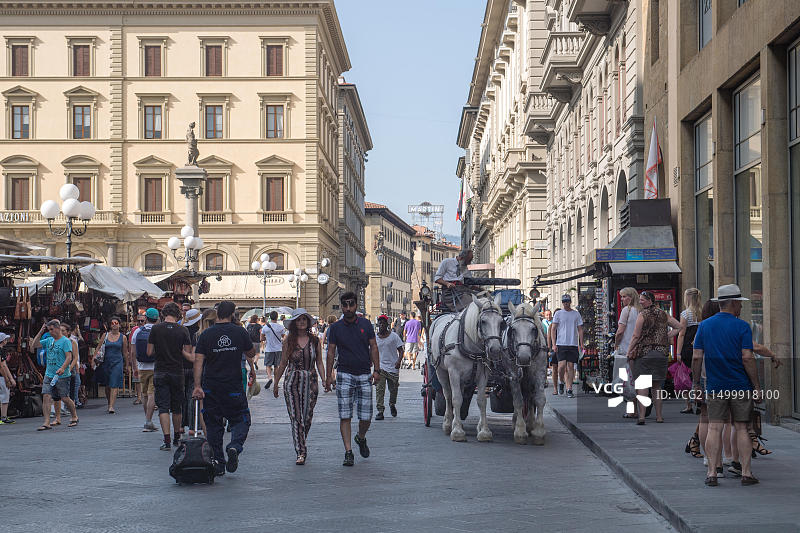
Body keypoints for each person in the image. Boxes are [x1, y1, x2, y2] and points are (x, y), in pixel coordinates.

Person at [692, 284, 762, 487]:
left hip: (714, 385)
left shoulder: (705, 325)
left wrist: (696, 384)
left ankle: (712, 472)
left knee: (715, 427)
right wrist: (756, 386)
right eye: (739, 303)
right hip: (739, 385)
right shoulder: (742, 326)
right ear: (733, 303)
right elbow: (748, 357)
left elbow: (697, 356)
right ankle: (746, 473)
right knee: (741, 427)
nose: (740, 307)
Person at [193, 300, 255, 475]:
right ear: (232, 314)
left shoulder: (206, 334)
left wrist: (197, 386)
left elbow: (198, 361)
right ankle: (234, 446)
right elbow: (251, 353)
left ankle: (219, 463)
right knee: (241, 419)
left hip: (211, 385)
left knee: (213, 425)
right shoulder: (239, 332)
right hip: (233, 385)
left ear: (218, 313)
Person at [325, 291, 380, 467]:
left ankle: (361, 437)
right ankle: (348, 452)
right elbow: (331, 352)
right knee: (345, 416)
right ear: (342, 306)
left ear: (356, 306)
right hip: (344, 374)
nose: (348, 308)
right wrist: (328, 376)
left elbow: (373, 347)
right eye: (345, 305)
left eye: (351, 305)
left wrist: (377, 370)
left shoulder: (366, 324)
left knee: (366, 416)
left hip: (364, 373)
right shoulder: (335, 328)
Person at [272, 308, 325, 465]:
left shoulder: (315, 340)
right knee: (296, 416)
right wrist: (276, 383)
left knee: (307, 417)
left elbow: (319, 362)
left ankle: (300, 441)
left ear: (308, 322)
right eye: (298, 319)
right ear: (294, 323)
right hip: (292, 380)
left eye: (304, 319)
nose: (301, 322)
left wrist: (325, 379)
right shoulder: (289, 340)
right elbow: (282, 363)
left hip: (311, 379)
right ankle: (301, 452)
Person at [626, 290, 684, 424]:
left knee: (643, 384)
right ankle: (659, 416)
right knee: (657, 386)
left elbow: (635, 336)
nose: (640, 301)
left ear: (650, 301)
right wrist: (666, 336)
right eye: (640, 299)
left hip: (645, 353)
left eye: (643, 299)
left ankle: (641, 416)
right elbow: (678, 326)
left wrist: (629, 351)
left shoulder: (643, 315)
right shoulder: (663, 314)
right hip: (660, 353)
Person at [147, 302, 193, 450]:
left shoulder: (155, 329)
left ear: (164, 314)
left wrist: (161, 350)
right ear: (178, 314)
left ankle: (166, 441)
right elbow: (187, 352)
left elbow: (149, 352)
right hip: (177, 372)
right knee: (177, 407)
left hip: (160, 371)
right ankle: (176, 437)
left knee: (163, 408)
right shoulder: (183, 330)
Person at [32, 320, 78, 430]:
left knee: (64, 398)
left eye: (52, 329)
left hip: (62, 375)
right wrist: (41, 331)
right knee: (46, 396)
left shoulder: (66, 341)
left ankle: (74, 416)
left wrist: (63, 368)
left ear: (57, 328)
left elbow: (69, 357)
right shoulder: (49, 340)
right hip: (49, 374)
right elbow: (34, 345)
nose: (51, 332)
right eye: (49, 330)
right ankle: (46, 422)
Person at [550, 294, 584, 398]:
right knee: (561, 366)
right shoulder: (558, 314)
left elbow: (580, 329)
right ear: (562, 302)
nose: (566, 303)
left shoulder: (576, 314)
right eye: (564, 301)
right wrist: (554, 344)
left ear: (570, 302)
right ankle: (561, 381)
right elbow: (553, 329)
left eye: (567, 301)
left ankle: (569, 389)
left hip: (572, 343)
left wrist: (581, 343)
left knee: (570, 367)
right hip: (561, 343)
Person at [613, 287, 640, 416]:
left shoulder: (626, 310)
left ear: (631, 297)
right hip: (638, 349)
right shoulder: (640, 311)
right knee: (634, 380)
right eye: (621, 296)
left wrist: (616, 343)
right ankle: (638, 410)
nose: (622, 299)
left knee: (626, 382)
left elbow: (620, 331)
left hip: (625, 350)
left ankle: (631, 411)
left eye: (625, 296)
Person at [131, 308, 159, 432]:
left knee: (144, 394)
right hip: (155, 367)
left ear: (146, 318)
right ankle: (148, 421)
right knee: (152, 394)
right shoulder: (159, 331)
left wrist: (134, 367)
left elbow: (132, 352)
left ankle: (148, 420)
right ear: (157, 319)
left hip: (141, 366)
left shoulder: (137, 331)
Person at [676, 288, 702, 414]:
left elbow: (681, 334)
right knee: (699, 376)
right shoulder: (703, 313)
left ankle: (688, 404)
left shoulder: (685, 314)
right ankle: (700, 402)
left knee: (687, 376)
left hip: (688, 348)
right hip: (701, 347)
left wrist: (678, 352)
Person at [95, 317, 128, 414]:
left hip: (117, 362)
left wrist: (127, 364)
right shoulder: (105, 335)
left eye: (116, 323)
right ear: (110, 325)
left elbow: (125, 352)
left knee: (114, 383)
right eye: (112, 323)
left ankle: (111, 406)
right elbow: (99, 347)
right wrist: (94, 359)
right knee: (108, 384)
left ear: (119, 325)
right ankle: (109, 402)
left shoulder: (123, 337)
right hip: (106, 362)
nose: (114, 324)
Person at [374, 315, 404, 420]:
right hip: (380, 367)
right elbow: (372, 352)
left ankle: (392, 404)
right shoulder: (375, 338)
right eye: (380, 323)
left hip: (393, 367)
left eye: (383, 323)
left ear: (387, 325)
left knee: (393, 389)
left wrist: (399, 361)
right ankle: (380, 410)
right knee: (379, 389)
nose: (381, 325)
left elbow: (401, 350)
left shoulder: (394, 336)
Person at [52, 323, 80, 424]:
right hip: (56, 371)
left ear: (68, 332)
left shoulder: (72, 342)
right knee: (56, 396)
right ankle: (57, 417)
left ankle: (74, 415)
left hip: (68, 371)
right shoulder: (56, 342)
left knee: (66, 396)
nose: (61, 332)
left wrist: (68, 368)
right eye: (60, 330)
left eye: (63, 331)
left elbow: (75, 357)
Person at [182, 308, 202, 436]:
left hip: (180, 369)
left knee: (182, 398)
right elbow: (193, 358)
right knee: (192, 398)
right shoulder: (196, 334)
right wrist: (182, 351)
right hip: (192, 369)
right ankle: (192, 426)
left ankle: (180, 426)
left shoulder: (182, 331)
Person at [261, 310, 286, 390]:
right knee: (276, 366)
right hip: (278, 349)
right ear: (277, 317)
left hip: (269, 349)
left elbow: (261, 338)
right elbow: (284, 337)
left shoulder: (265, 327)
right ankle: (276, 382)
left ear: (270, 317)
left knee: (268, 365)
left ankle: (269, 377)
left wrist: (267, 337)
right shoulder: (281, 327)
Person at [0, 333, 16, 424]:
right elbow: (2, 366)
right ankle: (3, 417)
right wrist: (7, 379)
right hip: (1, 377)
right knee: (5, 397)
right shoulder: (1, 350)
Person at [130, 314, 146, 405]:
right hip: (136, 356)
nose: (140, 323)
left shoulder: (149, 329)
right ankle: (139, 397)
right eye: (138, 321)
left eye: (142, 321)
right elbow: (131, 344)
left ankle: (147, 396)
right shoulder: (134, 330)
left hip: (146, 356)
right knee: (136, 377)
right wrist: (130, 357)